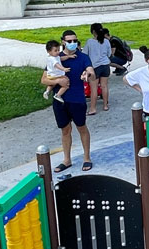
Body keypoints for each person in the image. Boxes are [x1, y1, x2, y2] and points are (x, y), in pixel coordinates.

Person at [43, 29, 94, 173]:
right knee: (65, 130)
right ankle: (67, 160)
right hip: (59, 101)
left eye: (75, 41)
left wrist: (87, 74)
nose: (72, 43)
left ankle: (86, 158)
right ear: (63, 42)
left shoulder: (83, 57)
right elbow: (44, 79)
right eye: (69, 41)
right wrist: (58, 81)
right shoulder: (55, 57)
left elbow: (91, 72)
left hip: (77, 99)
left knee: (81, 127)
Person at [85, 23, 112, 115]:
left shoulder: (89, 42)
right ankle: (105, 105)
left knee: (94, 88)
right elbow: (109, 54)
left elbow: (85, 54)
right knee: (104, 86)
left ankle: (93, 108)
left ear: (93, 31)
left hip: (94, 67)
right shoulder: (106, 41)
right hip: (105, 65)